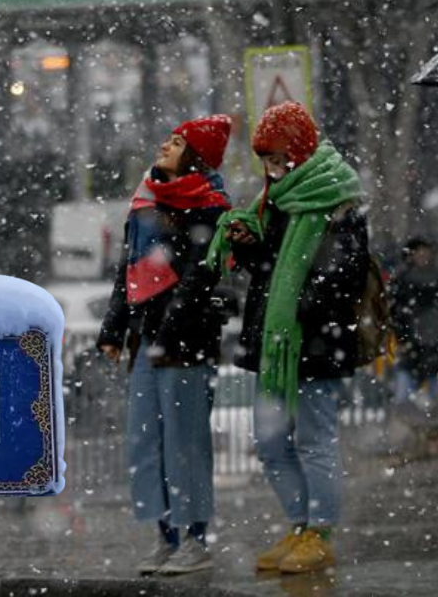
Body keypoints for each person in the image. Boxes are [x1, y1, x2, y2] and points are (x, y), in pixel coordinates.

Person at [207, 101, 367, 574]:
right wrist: (249, 246)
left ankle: (321, 532)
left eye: (279, 159)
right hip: (275, 342)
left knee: (315, 439)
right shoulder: (276, 201)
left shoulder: (337, 200)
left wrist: (300, 307)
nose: (273, 170)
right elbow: (268, 271)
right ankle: (299, 526)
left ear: (299, 151)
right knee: (271, 440)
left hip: (315, 342)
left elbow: (344, 276)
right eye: (267, 161)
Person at [97, 114, 233, 577]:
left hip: (186, 343)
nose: (165, 145)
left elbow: (202, 273)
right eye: (169, 138)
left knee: (185, 442)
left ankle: (195, 537)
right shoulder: (146, 200)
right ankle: (165, 534)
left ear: (195, 155)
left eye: (177, 142)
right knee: (144, 441)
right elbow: (128, 271)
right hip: (146, 340)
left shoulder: (209, 205)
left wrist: (171, 323)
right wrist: (114, 329)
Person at [390, 236, 438, 408]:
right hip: (411, 343)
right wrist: (402, 338)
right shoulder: (403, 279)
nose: (423, 256)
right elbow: (395, 313)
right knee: (404, 397)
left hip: (432, 345)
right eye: (419, 252)